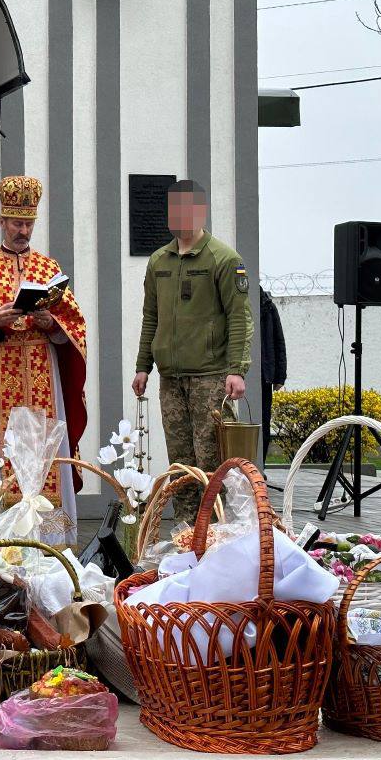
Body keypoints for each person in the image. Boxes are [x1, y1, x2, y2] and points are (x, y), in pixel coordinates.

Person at [0, 175, 88, 546]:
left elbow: (74, 329)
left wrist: (51, 323)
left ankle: (52, 544)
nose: (23, 231)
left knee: (46, 453)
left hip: (43, 370)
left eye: (28, 224)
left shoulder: (48, 269)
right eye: (17, 223)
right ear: (2, 221)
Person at [132, 179, 253, 521]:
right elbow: (151, 317)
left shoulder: (224, 259)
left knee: (212, 465)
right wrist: (143, 365)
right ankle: (187, 535)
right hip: (171, 380)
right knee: (182, 467)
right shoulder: (159, 261)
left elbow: (240, 317)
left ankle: (216, 535)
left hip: (210, 379)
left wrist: (237, 369)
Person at [259, 287, 287, 461]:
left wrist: (279, 376)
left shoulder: (267, 306)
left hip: (263, 376)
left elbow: (278, 340)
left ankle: (259, 466)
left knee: (263, 423)